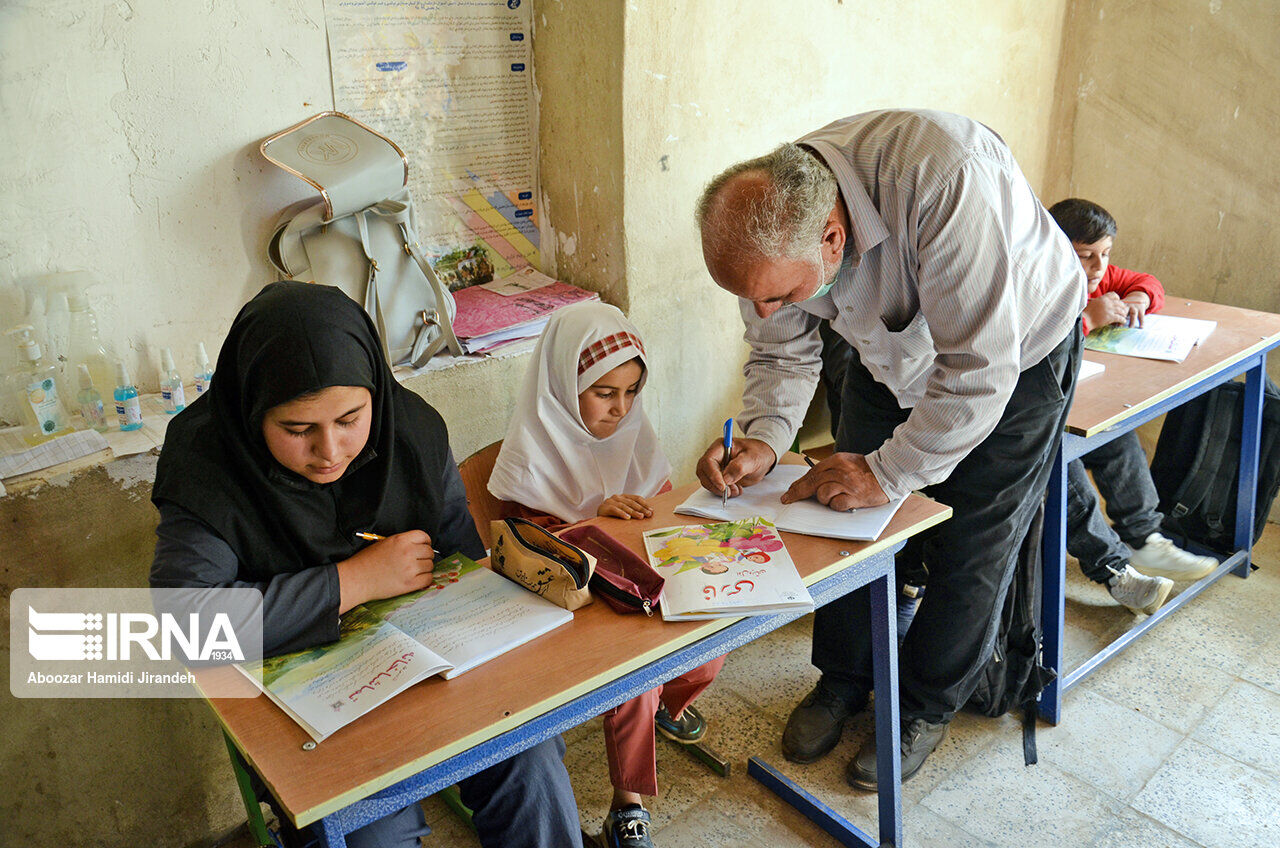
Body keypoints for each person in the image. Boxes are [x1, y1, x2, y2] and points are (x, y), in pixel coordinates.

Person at [693, 110, 1086, 789]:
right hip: (892, 349)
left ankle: (923, 707)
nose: (763, 311)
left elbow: (976, 372)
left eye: (777, 295)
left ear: (833, 237)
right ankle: (844, 680)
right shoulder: (776, 233)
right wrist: (763, 437)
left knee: (973, 539)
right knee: (844, 511)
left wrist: (891, 472)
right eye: (748, 299)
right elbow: (780, 349)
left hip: (1018, 355)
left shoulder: (942, 181)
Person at [149, 281, 583, 848]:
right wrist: (353, 581)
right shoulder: (209, 466)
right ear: (252, 409)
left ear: (376, 388)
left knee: (530, 763)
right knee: (373, 825)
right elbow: (186, 626)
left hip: (428, 668)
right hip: (311, 711)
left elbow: (467, 563)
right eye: (297, 429)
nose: (329, 451)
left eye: (350, 419)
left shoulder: (411, 432)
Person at [488, 301, 724, 848]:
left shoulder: (632, 434)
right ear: (565, 385)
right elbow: (526, 551)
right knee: (636, 673)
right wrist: (593, 521)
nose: (621, 410)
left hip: (640, 585)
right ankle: (628, 804)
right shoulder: (532, 452)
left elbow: (660, 508)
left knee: (711, 635)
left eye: (631, 393)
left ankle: (670, 703)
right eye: (604, 393)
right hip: (573, 606)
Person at [1049, 198, 1218, 613]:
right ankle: (1115, 572)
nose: (1098, 268)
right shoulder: (1041, 284)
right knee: (1063, 463)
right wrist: (1086, 318)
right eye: (1085, 256)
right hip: (1033, 418)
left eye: (1104, 255)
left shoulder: (1100, 278)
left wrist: (1140, 296)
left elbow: (1144, 280)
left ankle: (1145, 539)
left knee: (1119, 439)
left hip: (1076, 402)